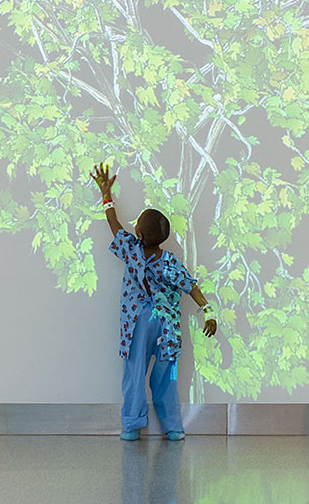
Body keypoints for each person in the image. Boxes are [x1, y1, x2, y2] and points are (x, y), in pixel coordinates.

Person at [90, 162, 218, 441]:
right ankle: (173, 427)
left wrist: (106, 195)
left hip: (137, 325)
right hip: (167, 328)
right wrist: (208, 311)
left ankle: (132, 426)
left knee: (134, 374)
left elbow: (113, 225)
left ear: (139, 235)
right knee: (166, 378)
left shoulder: (132, 251)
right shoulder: (170, 262)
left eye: (137, 223)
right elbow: (191, 286)